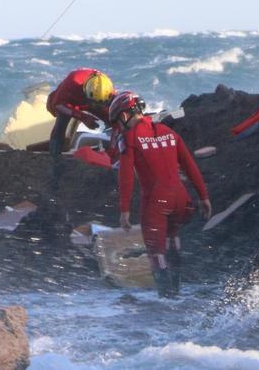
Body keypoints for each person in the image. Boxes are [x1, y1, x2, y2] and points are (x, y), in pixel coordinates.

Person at [110, 90, 212, 297]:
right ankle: (177, 290)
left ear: (123, 115)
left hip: (156, 201)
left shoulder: (129, 138)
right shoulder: (168, 131)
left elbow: (126, 177)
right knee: (172, 237)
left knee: (156, 252)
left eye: (117, 122)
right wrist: (203, 197)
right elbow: (190, 166)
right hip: (182, 200)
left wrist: (124, 211)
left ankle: (167, 300)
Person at [44, 68, 115, 159]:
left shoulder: (109, 91)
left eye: (98, 105)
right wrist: (83, 117)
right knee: (61, 123)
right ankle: (54, 157)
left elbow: (117, 120)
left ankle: (114, 154)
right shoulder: (72, 82)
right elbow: (57, 104)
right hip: (72, 99)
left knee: (114, 120)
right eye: (93, 104)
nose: (95, 107)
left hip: (94, 100)